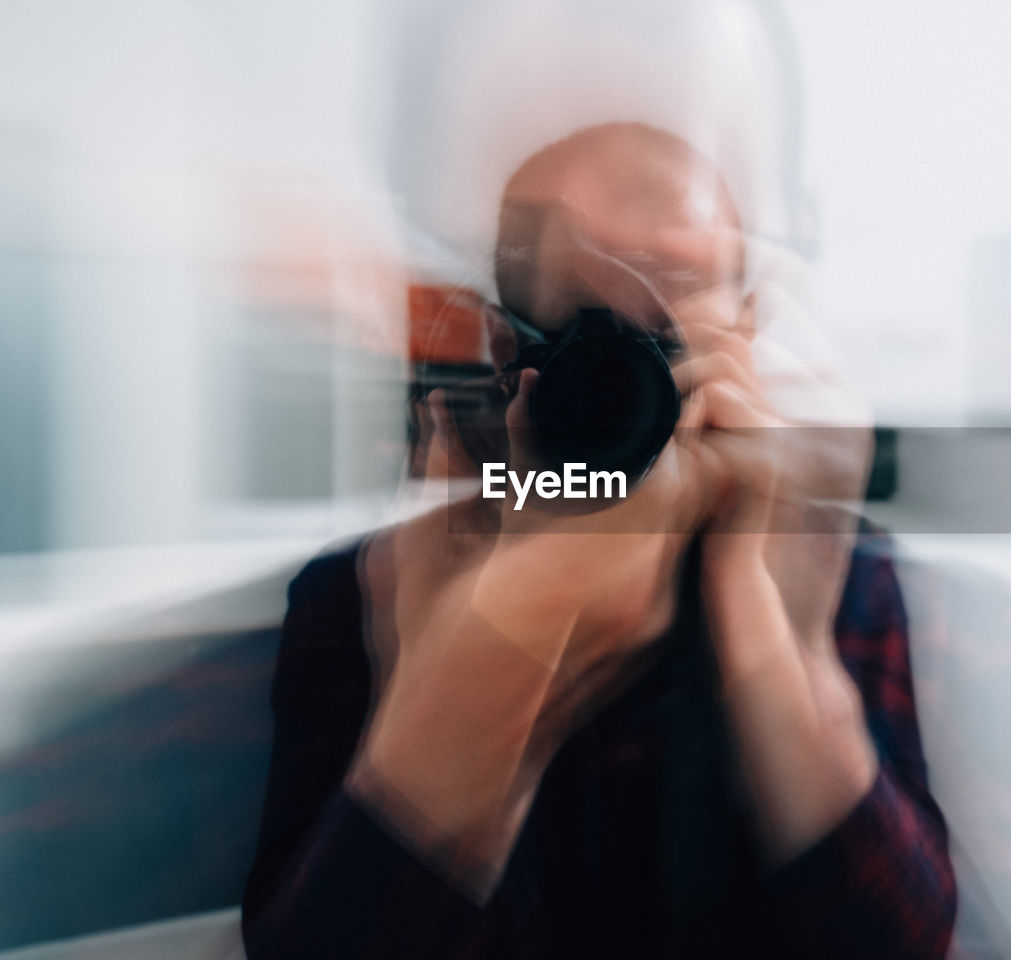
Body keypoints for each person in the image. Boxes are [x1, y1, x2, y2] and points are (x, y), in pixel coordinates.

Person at [241, 122, 956, 959]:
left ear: (746, 342)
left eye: (661, 346)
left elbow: (902, 944)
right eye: (584, 346)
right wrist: (477, 655)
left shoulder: (838, 571)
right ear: (505, 360)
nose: (628, 390)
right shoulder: (369, 587)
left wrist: (777, 634)